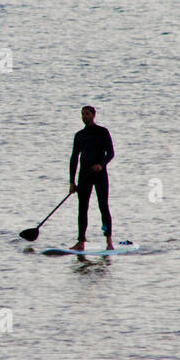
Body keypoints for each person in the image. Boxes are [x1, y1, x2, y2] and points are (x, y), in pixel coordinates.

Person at [69, 105, 114, 251]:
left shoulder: (102, 132)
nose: (84, 116)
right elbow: (74, 158)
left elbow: (111, 153)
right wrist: (72, 181)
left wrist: (101, 165)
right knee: (82, 208)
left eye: (87, 114)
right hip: (85, 176)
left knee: (103, 206)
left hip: (100, 175)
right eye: (82, 114)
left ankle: (109, 242)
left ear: (93, 115)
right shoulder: (79, 135)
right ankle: (81, 242)